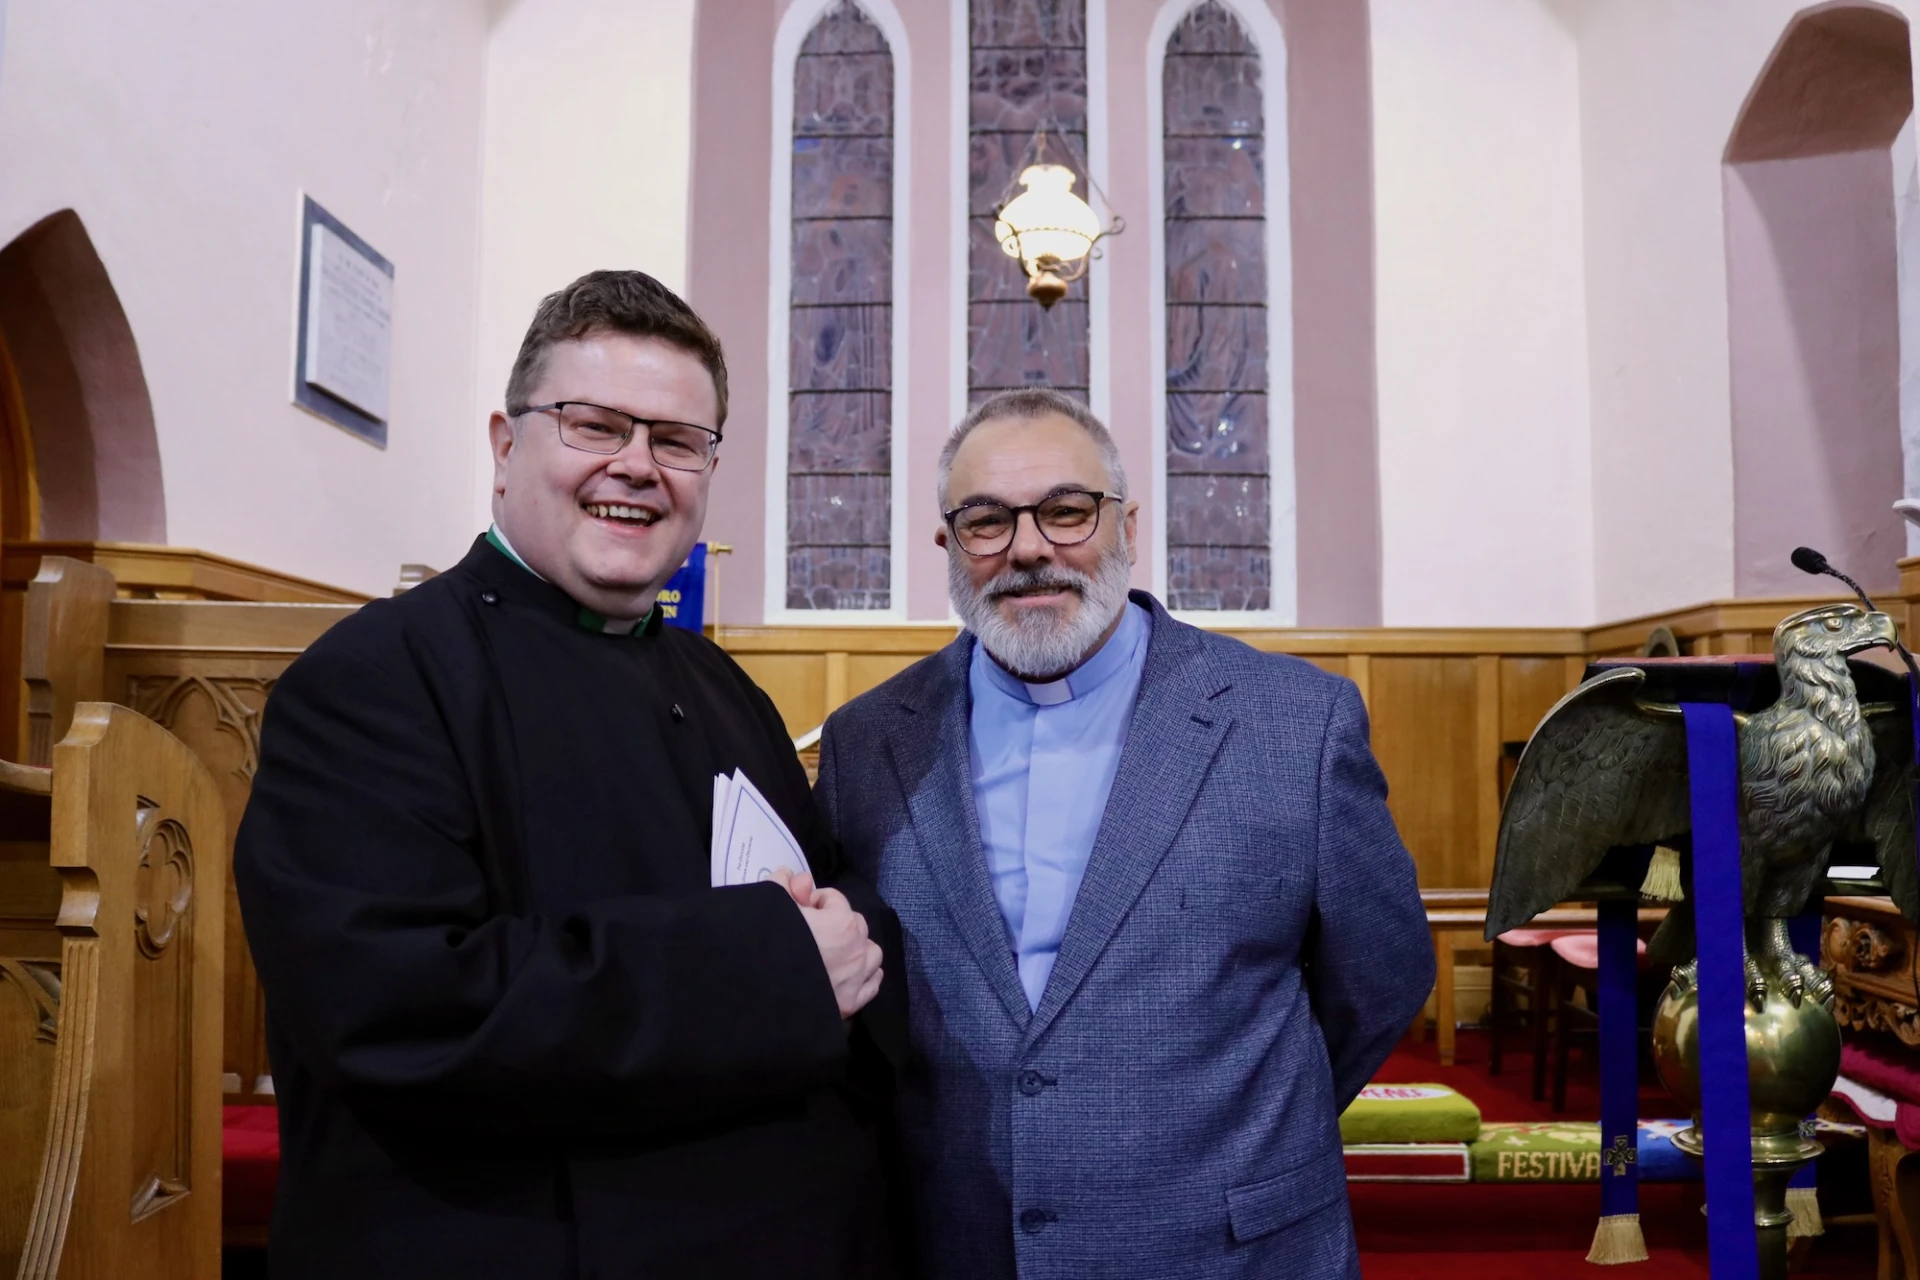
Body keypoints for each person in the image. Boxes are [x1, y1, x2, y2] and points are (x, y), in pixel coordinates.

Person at [234, 270, 905, 1280]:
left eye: (676, 441)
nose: (636, 465)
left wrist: (850, 937)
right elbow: (404, 1010)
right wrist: (775, 968)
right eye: (594, 426)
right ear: (506, 446)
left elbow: (834, 912)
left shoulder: (726, 688)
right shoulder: (373, 680)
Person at [815, 388, 1433, 1279]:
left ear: (1128, 526)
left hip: (1227, 1247)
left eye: (1067, 511)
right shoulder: (868, 742)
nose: (1030, 548)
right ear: (948, 547)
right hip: (961, 1242)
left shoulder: (1295, 723)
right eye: (987, 521)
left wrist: (1240, 1132)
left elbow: (1379, 976)